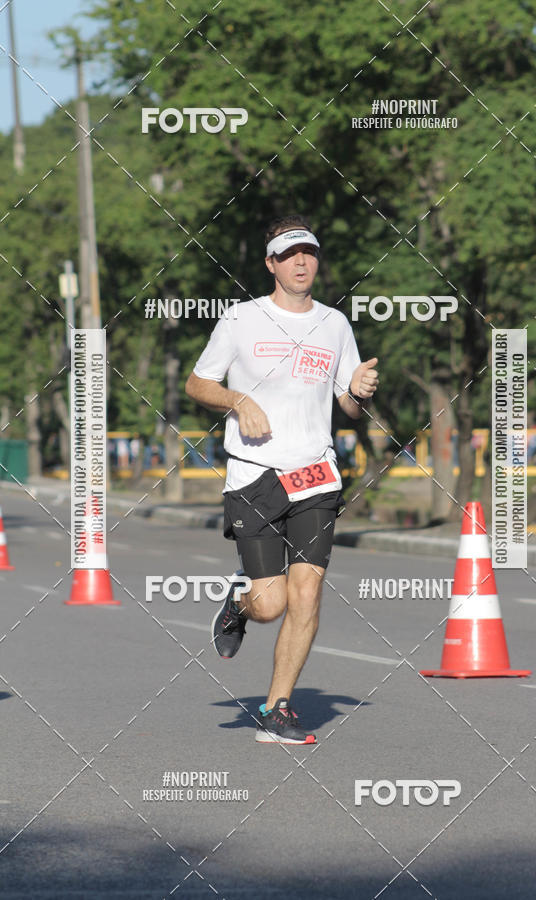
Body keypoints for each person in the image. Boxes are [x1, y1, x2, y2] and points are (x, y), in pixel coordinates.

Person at [185, 215, 378, 744]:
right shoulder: (242, 319)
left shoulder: (335, 325)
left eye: (309, 252)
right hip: (255, 477)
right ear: (270, 263)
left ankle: (278, 708)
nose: (301, 261)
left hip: (316, 475)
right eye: (290, 253)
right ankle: (239, 602)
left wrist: (359, 391)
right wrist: (237, 399)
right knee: (270, 604)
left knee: (308, 593)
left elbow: (348, 405)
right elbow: (198, 382)